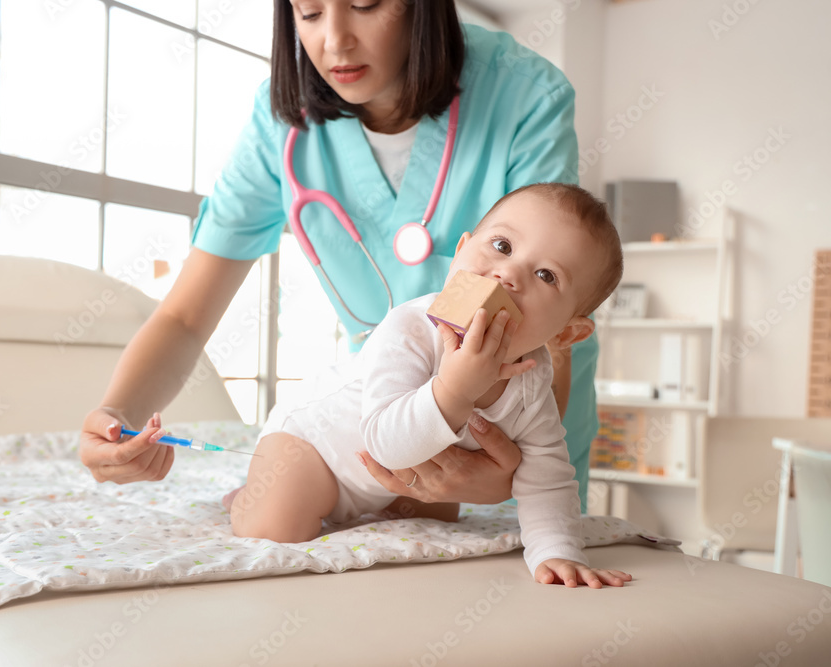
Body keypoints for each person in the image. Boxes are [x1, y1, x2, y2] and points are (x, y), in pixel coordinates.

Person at [80, 0, 599, 518]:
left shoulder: (524, 95)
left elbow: (553, 323)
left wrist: (510, 480)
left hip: (511, 422)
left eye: (365, 4)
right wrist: (115, 414)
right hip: (382, 422)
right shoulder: (280, 123)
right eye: (308, 12)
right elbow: (185, 316)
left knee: (528, 563)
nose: (335, 40)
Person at [226, 182, 631, 587]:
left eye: (546, 275)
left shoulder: (533, 379)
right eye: (503, 246)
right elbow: (386, 445)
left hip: (402, 487)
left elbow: (547, 476)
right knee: (278, 523)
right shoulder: (412, 328)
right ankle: (244, 498)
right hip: (316, 449)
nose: (508, 274)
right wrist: (455, 390)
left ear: (566, 334)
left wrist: (557, 552)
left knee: (440, 522)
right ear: (460, 252)